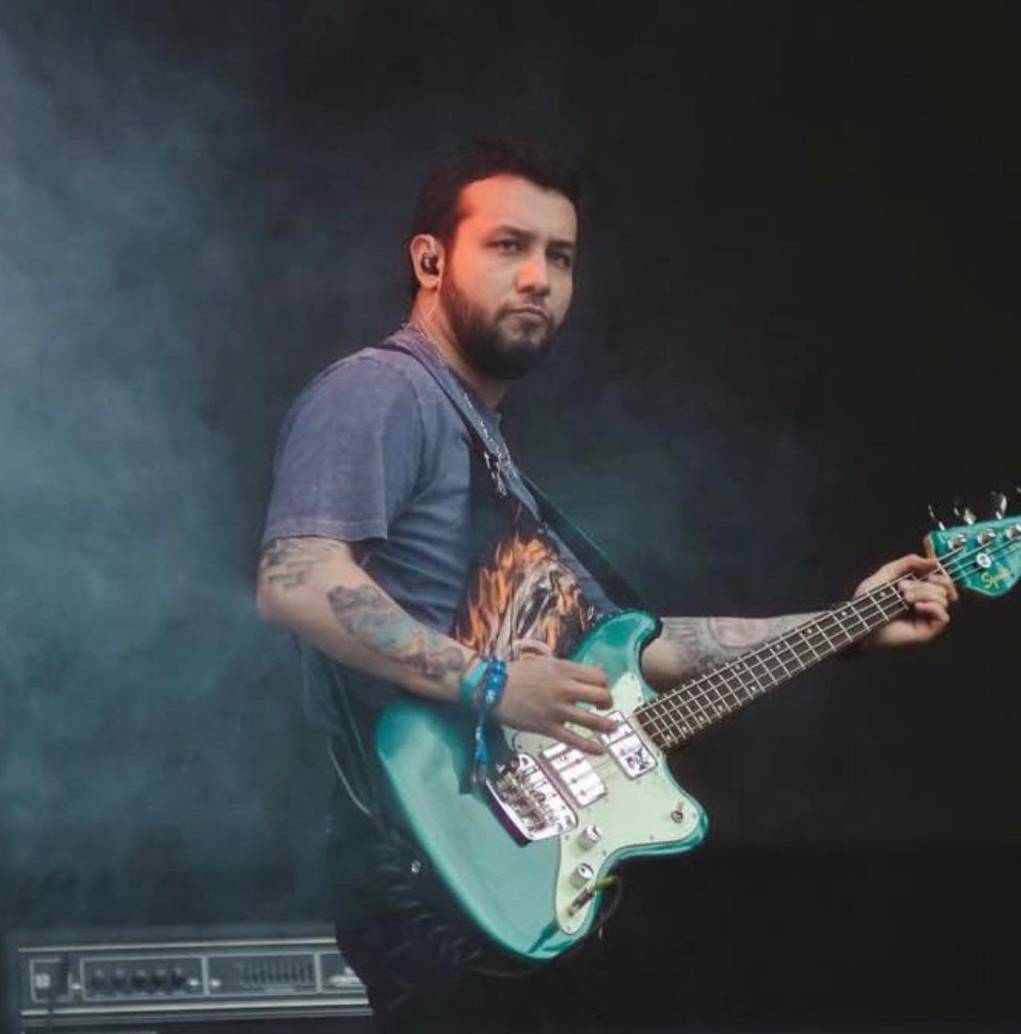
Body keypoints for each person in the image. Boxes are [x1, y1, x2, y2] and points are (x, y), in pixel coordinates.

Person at [256, 139, 957, 1032]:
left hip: (530, 866)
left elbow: (641, 649)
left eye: (561, 256)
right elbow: (298, 581)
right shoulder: (381, 392)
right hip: (434, 861)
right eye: (508, 246)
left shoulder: (494, 463)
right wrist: (494, 682)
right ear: (430, 260)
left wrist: (852, 618)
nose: (539, 277)